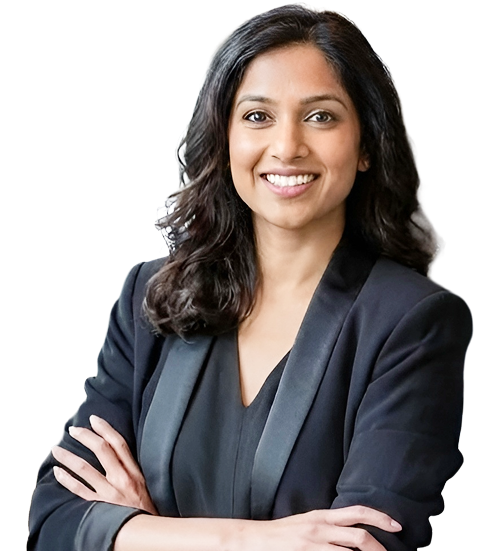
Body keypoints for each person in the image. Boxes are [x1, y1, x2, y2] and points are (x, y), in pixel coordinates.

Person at [27, 4, 473, 550]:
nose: (286, 147)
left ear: (365, 146)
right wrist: (253, 540)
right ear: (224, 139)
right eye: (258, 116)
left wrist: (141, 531)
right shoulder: (153, 296)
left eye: (321, 116)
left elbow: (362, 544)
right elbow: (55, 520)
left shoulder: (413, 321)